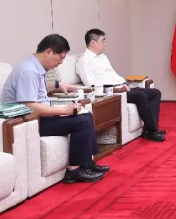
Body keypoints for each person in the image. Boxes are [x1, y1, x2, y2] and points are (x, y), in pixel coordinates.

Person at [1, 34, 109, 183]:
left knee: (86, 115)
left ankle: (86, 163)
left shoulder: (34, 67)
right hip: (28, 122)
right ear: (49, 52)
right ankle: (74, 171)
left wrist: (58, 85)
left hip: (37, 117)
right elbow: (30, 106)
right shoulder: (29, 71)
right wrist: (64, 110)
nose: (61, 62)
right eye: (61, 57)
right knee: (82, 121)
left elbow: (36, 89)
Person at [76, 29, 165, 142]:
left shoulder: (103, 57)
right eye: (102, 41)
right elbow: (91, 85)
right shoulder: (84, 61)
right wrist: (116, 89)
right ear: (93, 43)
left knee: (155, 93)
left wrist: (123, 84)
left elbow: (114, 74)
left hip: (122, 87)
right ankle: (153, 131)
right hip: (112, 93)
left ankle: (149, 129)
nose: (104, 44)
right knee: (141, 96)